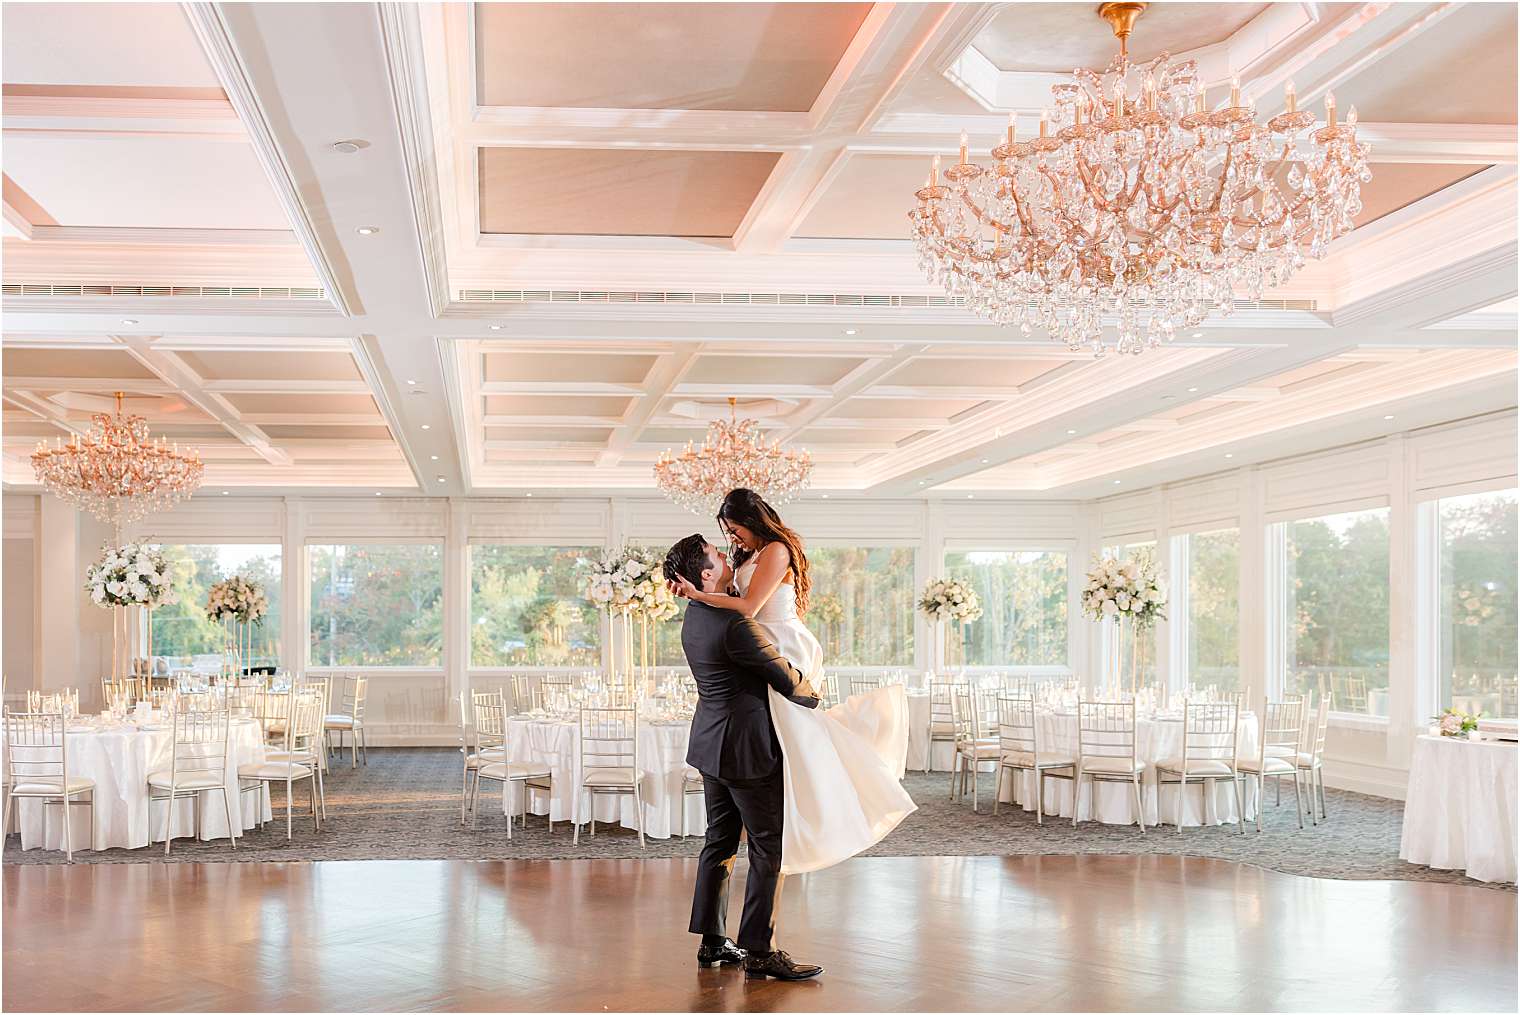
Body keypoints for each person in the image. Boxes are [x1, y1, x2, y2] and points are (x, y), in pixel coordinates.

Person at [668, 488, 917, 875]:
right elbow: (735, 599)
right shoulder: (746, 556)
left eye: (735, 530)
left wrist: (698, 595)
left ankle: (816, 806)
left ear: (753, 522)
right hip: (756, 643)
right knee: (790, 738)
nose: (731, 540)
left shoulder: (776, 551)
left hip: (782, 643)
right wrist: (699, 594)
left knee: (799, 728)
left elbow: (748, 607)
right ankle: (799, 804)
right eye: (728, 535)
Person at [663, 533, 825, 982]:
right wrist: (813, 693)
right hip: (747, 751)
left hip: (710, 747)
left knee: (719, 843)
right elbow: (783, 675)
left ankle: (712, 942)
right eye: (717, 554)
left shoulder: (694, 615)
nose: (725, 554)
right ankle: (759, 951)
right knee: (768, 847)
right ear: (706, 573)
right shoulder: (734, 624)